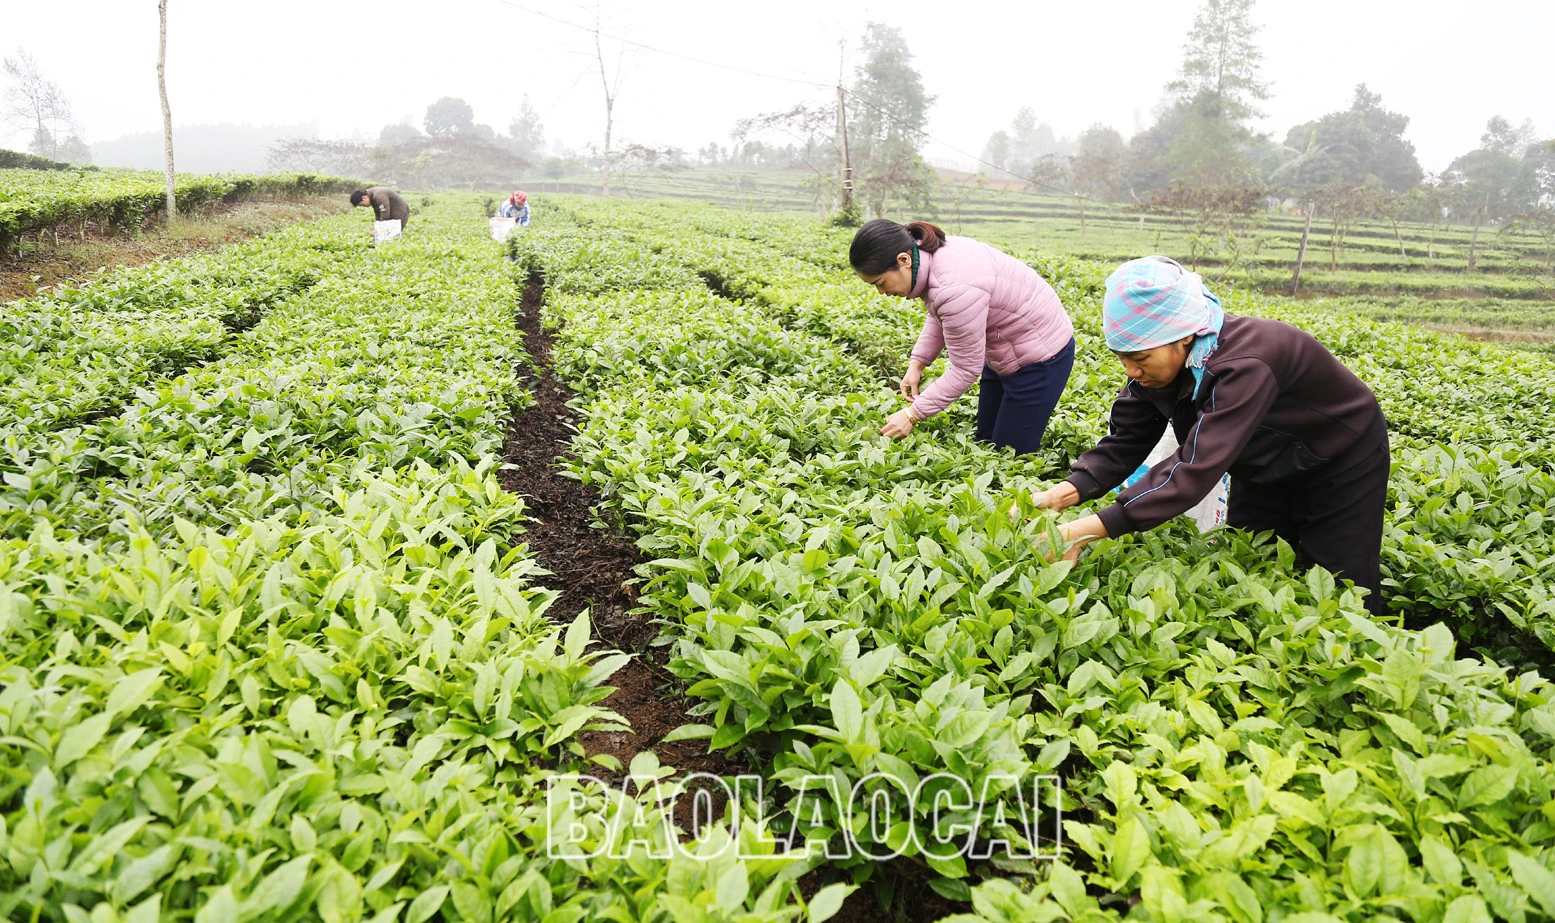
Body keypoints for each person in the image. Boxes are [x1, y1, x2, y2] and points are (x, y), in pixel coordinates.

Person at [1031, 255, 1391, 616]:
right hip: (1261, 458)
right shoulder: (1159, 367)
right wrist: (1063, 494)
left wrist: (1085, 531)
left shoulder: (1246, 363)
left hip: (1339, 458)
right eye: (1121, 356)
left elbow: (1194, 467)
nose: (1130, 370)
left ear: (1184, 335)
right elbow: (1127, 440)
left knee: (1339, 585)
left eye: (1139, 356)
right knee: (1251, 557)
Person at [849, 219, 1075, 454]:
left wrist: (912, 414)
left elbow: (965, 369)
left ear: (903, 260)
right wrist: (918, 363)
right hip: (1005, 349)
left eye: (881, 283)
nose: (882, 293)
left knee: (1010, 455)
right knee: (986, 442)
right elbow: (940, 311)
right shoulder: (931, 256)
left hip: (1042, 357)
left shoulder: (954, 287)